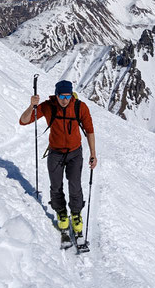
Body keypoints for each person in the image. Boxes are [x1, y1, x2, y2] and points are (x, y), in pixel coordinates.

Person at [19, 80, 97, 235]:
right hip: (55, 153)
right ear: (56, 95)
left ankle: (75, 214)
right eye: (61, 96)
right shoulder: (48, 106)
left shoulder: (79, 107)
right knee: (56, 186)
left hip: (75, 153)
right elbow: (23, 121)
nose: (64, 100)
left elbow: (89, 130)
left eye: (67, 96)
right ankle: (61, 212)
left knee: (75, 186)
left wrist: (93, 154)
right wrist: (31, 106)